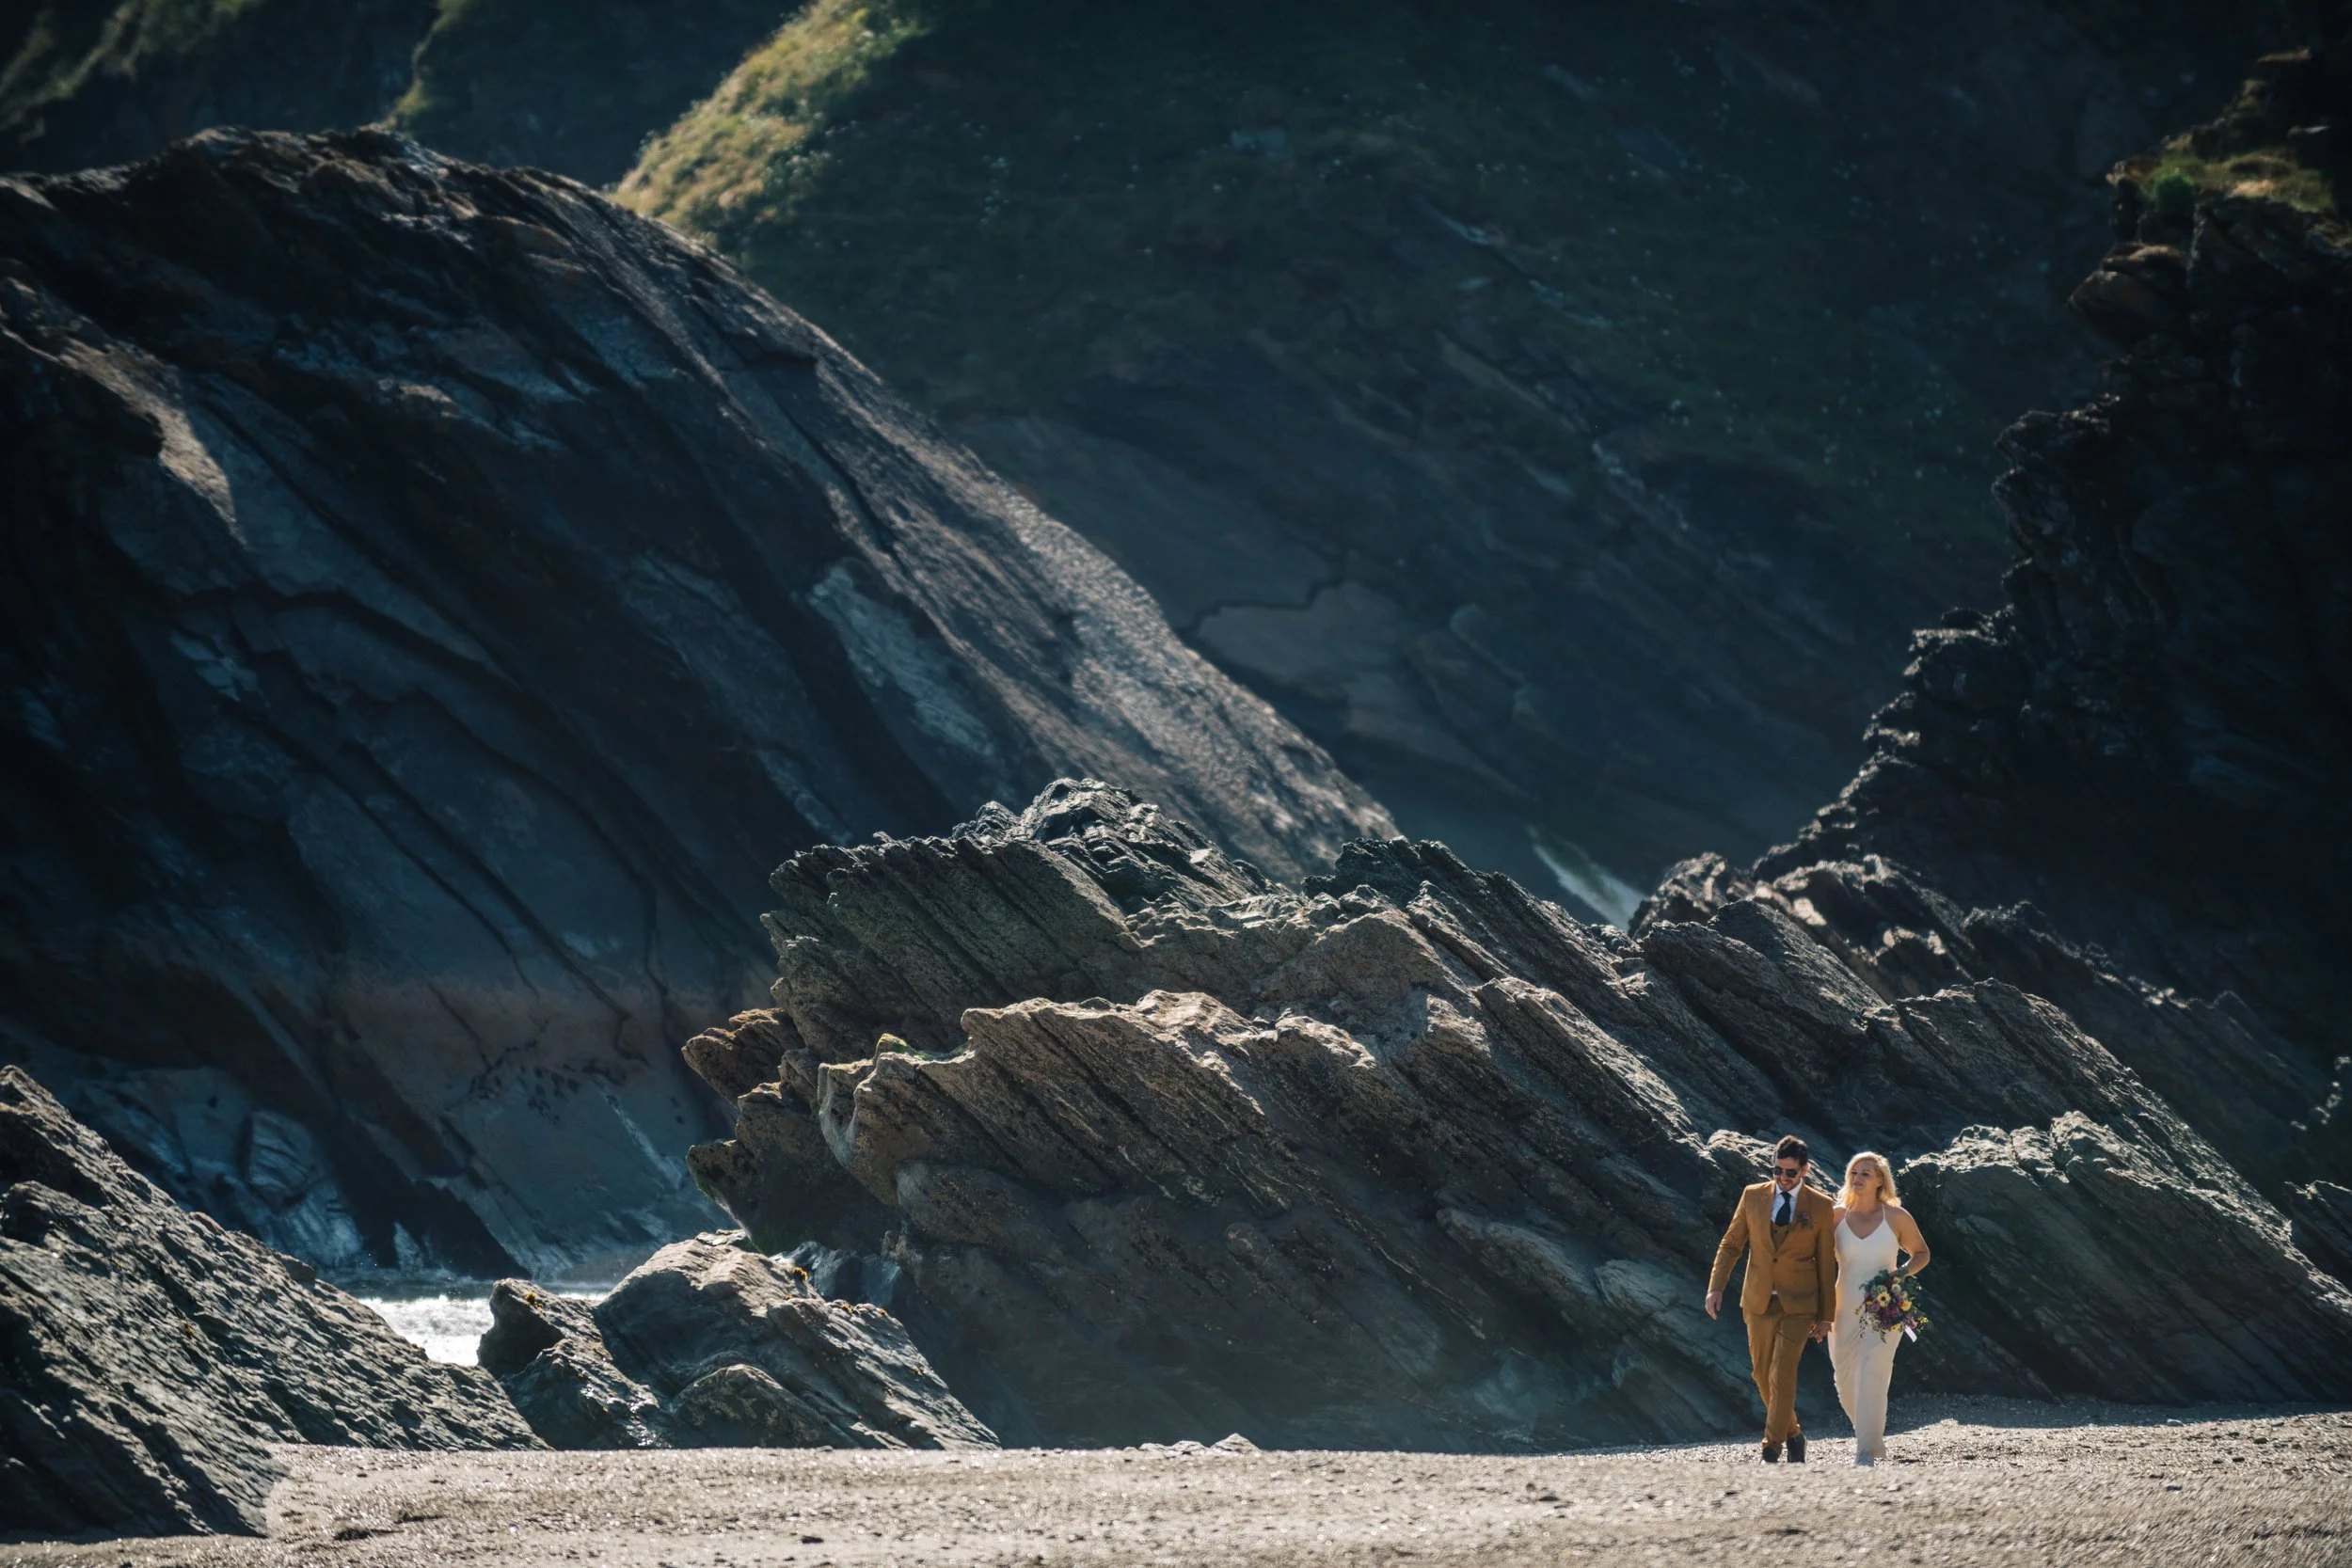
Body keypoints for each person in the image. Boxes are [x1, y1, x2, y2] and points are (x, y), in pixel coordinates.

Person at [1705, 1135, 1837, 1463]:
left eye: (1790, 1173)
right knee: (1761, 1375)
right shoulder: (1752, 1196)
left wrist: (1826, 1315)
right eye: (1777, 1170)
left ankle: (1771, 1446)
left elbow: (1825, 1263)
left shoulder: (1821, 1205)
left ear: (1804, 1170)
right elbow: (1731, 1245)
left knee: (1783, 1372)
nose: (1782, 1178)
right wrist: (1715, 1287)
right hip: (1758, 1300)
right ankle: (1794, 1433)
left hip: (1800, 1304)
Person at [1831, 1150, 1931, 1467]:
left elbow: (1921, 1253)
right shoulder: (1835, 1216)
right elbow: (1812, 1257)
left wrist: (1899, 1274)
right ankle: (1872, 1440)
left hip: (1885, 1308)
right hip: (1841, 1308)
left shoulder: (1896, 1217)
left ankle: (1863, 1453)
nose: (1857, 1178)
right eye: (1854, 1172)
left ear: (1879, 1182)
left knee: (1872, 1374)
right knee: (1845, 1381)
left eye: (1865, 1174)